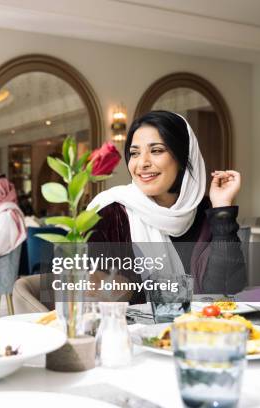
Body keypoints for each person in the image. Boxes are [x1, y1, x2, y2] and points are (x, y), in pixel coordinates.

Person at [88, 110, 246, 301]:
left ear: (182, 158)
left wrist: (222, 209)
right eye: (134, 153)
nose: (142, 163)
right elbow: (93, 296)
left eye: (156, 151)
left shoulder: (204, 211)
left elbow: (227, 289)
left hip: (200, 327)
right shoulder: (110, 212)